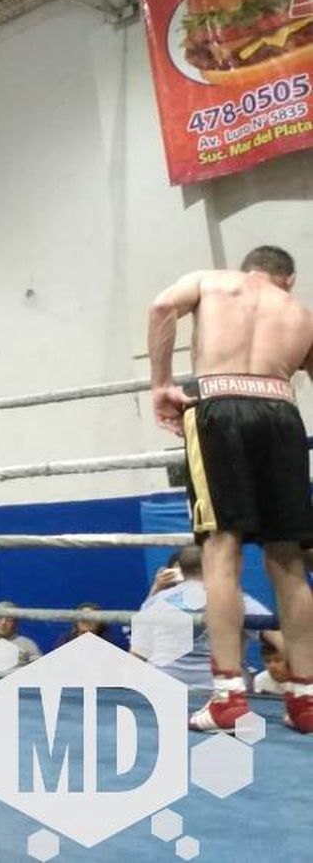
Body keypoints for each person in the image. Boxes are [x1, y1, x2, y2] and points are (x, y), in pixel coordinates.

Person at [148, 245, 313, 733]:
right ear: (288, 280)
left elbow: (160, 307)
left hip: (219, 406)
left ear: (250, 270)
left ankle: (228, 697)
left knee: (221, 553)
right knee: (289, 561)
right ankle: (304, 700)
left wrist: (161, 385)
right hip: (282, 414)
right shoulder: (299, 312)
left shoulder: (211, 280)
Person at [133, 544, 270, 691]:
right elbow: (275, 634)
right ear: (212, 565)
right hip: (219, 692)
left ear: (182, 570)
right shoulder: (234, 599)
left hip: (163, 691)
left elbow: (137, 654)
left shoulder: (155, 601)